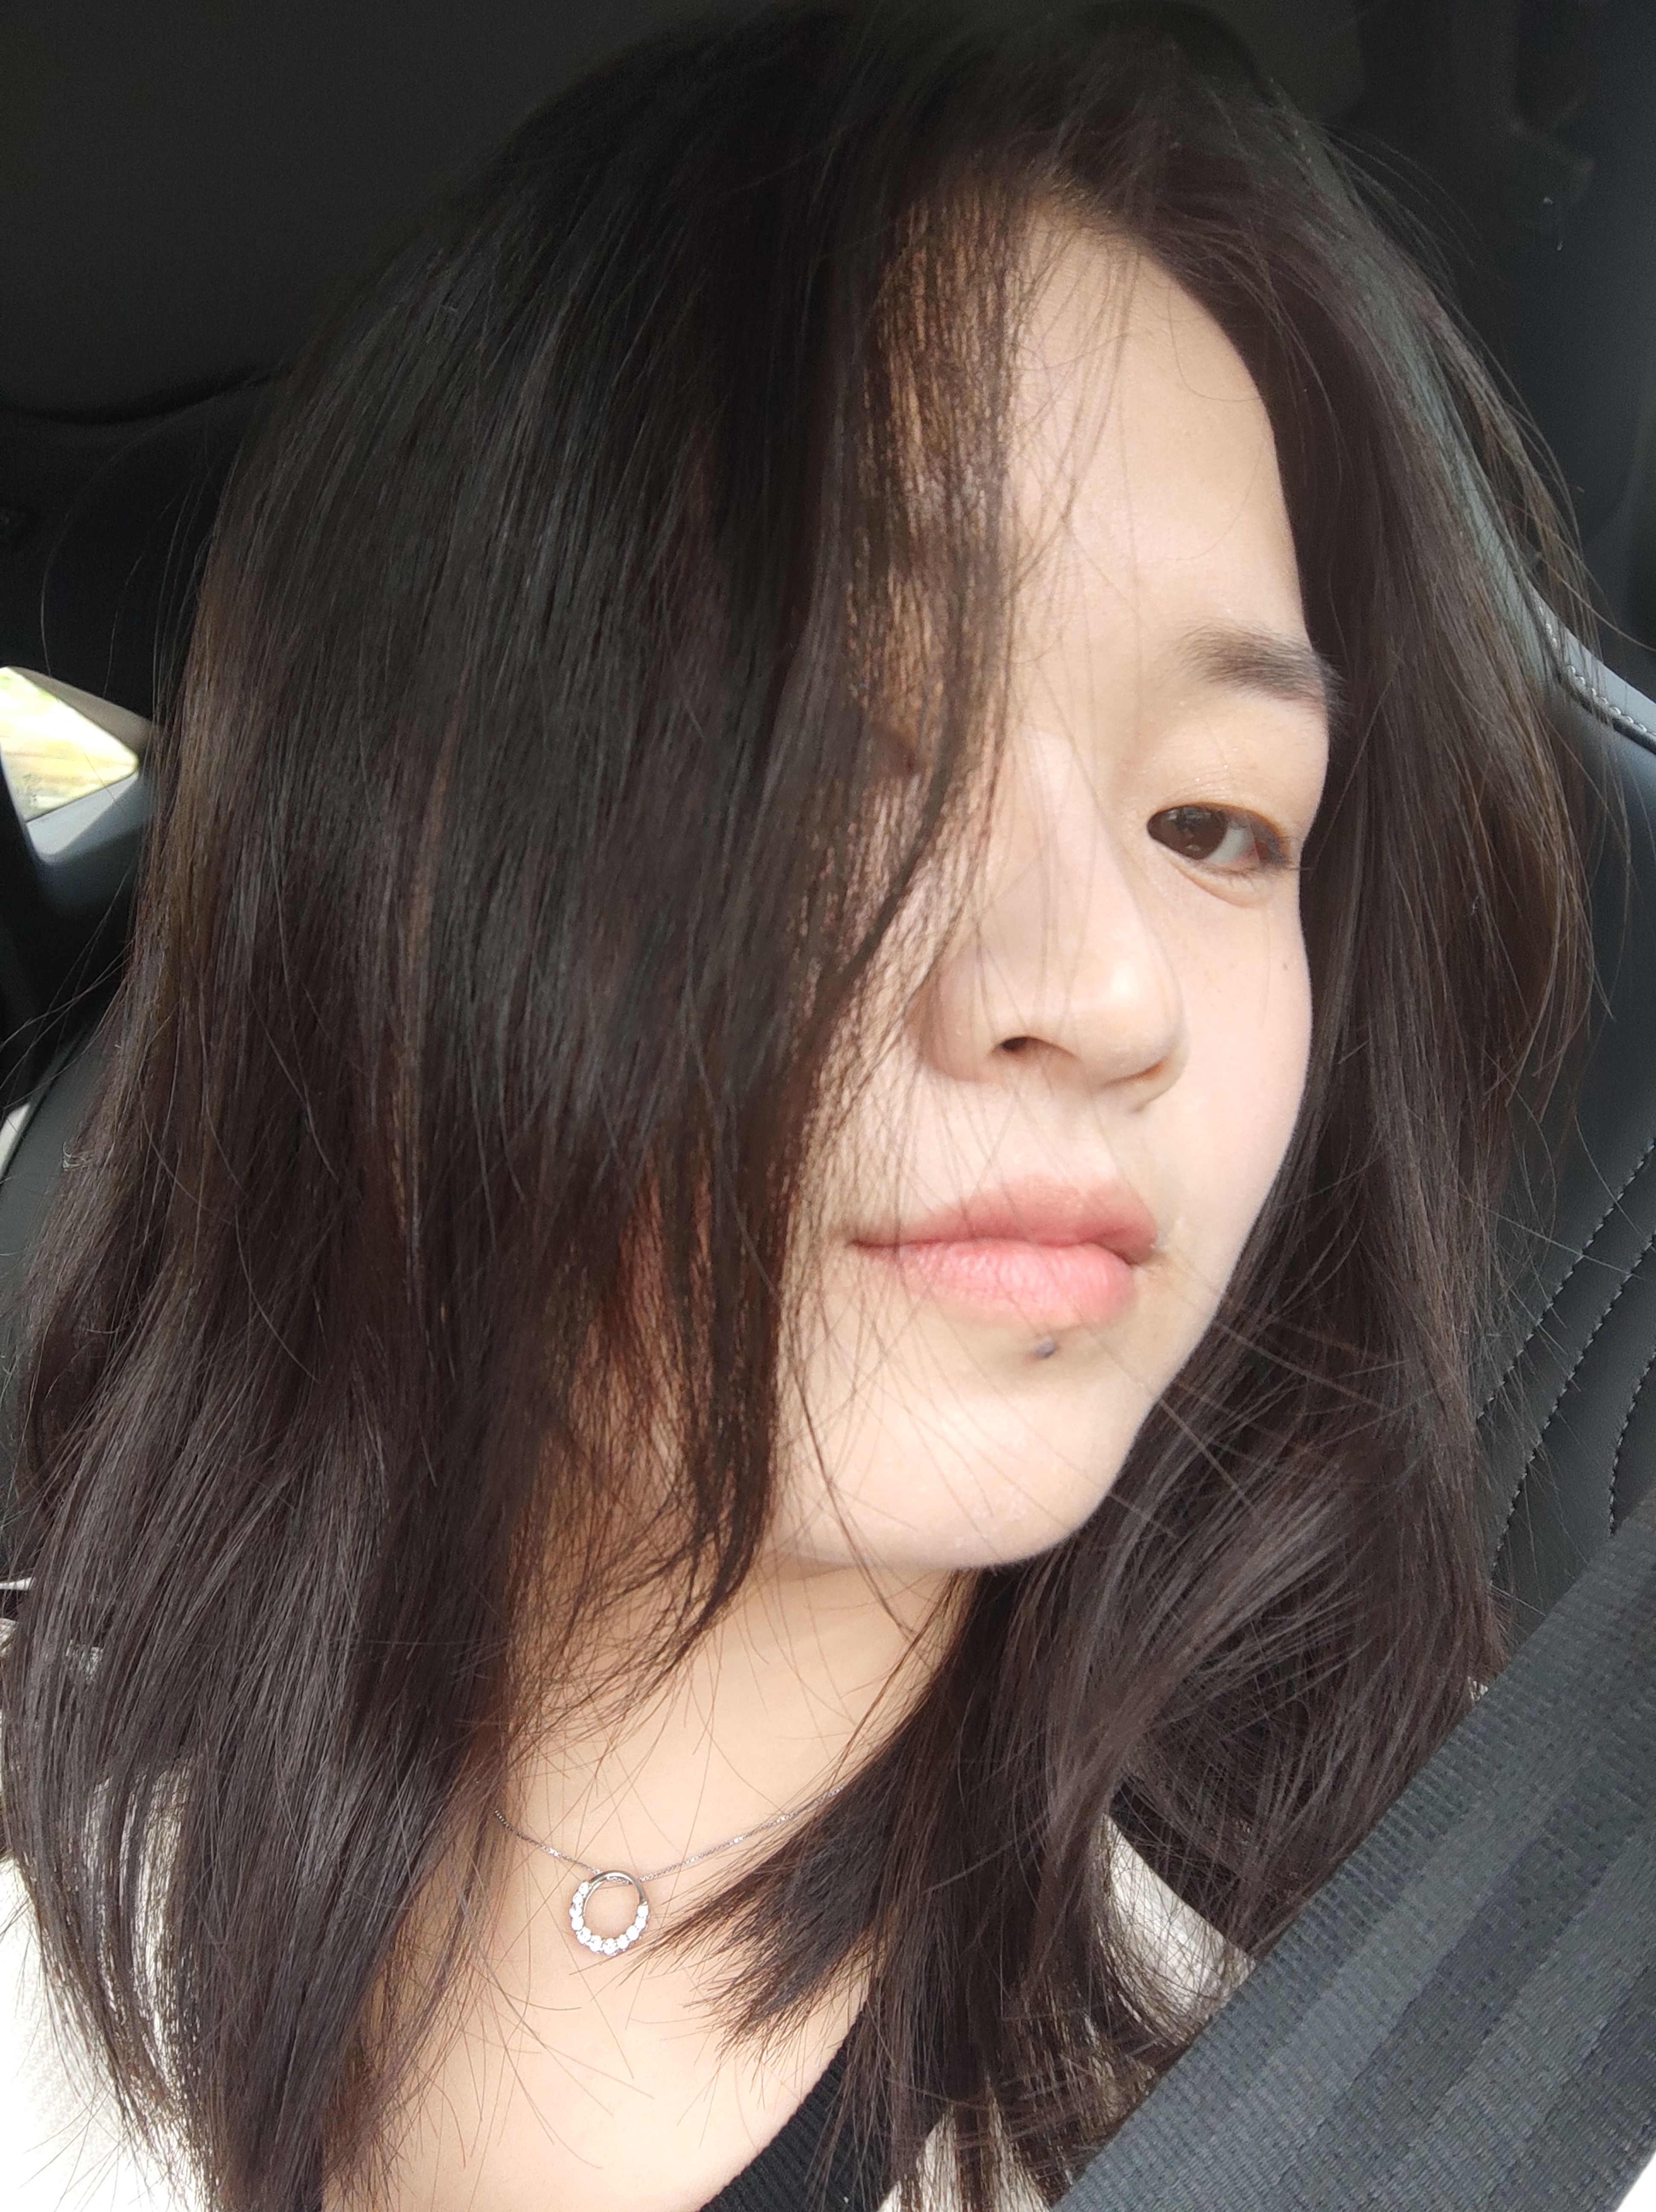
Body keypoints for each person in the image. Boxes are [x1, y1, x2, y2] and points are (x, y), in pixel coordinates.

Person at [0, 5, 1598, 2209]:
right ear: (390, 854)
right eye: (841, 746)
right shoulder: (55, 1817)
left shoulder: (1460, 2049)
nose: (1109, 992)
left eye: (1219, 825)